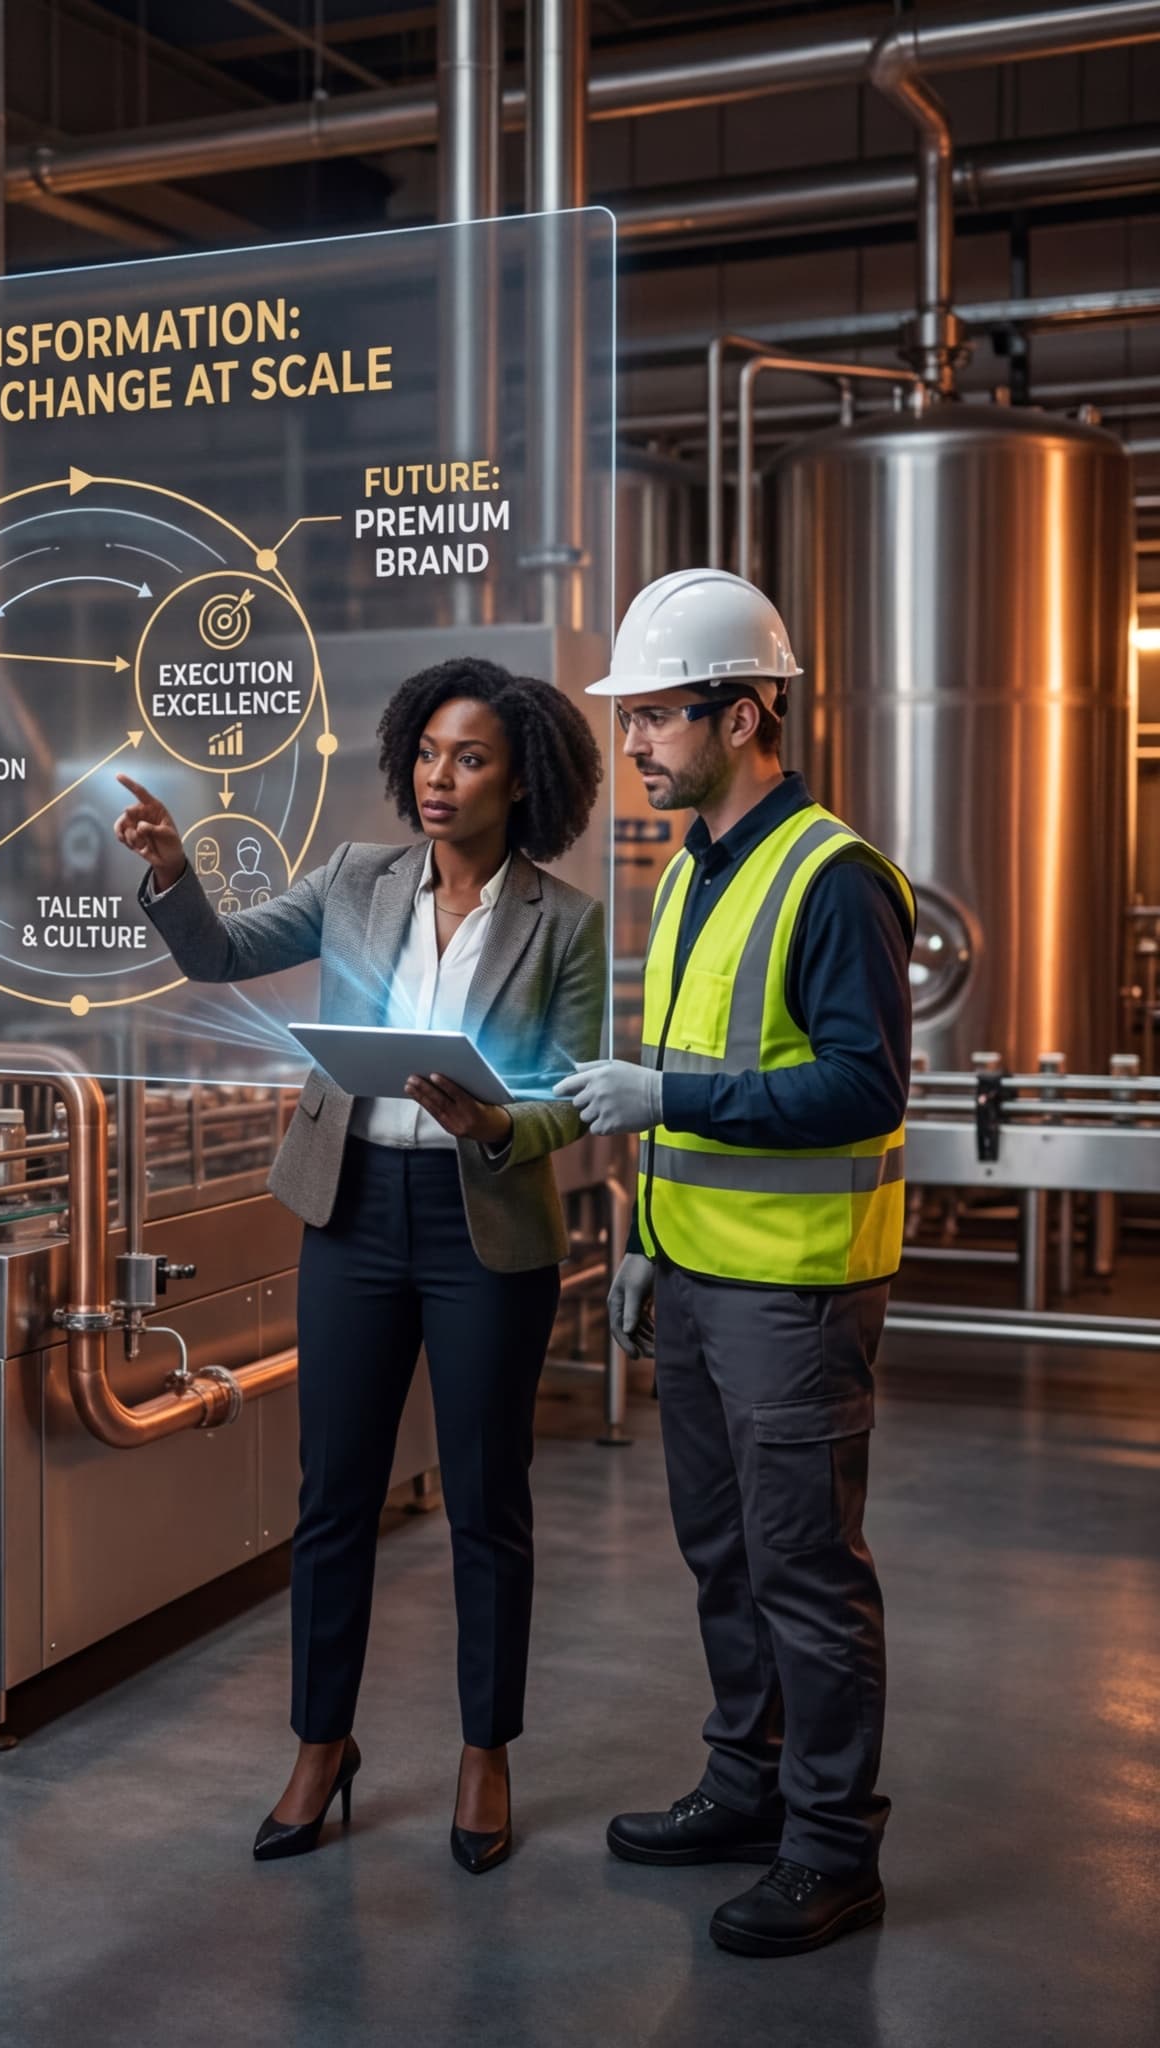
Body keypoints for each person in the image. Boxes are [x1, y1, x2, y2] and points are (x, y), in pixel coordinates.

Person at [116, 657, 605, 1876]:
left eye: (471, 757)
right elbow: (221, 952)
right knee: (332, 1496)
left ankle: (484, 1748)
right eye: (429, 753)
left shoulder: (567, 923)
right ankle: (319, 1743)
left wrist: (497, 1123)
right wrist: (172, 873)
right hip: (348, 1214)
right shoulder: (353, 880)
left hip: (481, 1222)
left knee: (487, 1501)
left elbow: (572, 1098)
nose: (440, 778)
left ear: (520, 778)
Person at [556, 568, 914, 1960]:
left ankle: (833, 1852)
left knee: (806, 1572)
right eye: (633, 719)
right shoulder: (703, 869)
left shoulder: (832, 879)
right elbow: (697, 1070)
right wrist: (646, 1240)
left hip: (798, 1290)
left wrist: (670, 1108)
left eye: (656, 717)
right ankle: (749, 1786)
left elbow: (860, 1090)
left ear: (745, 712)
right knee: (724, 1557)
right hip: (701, 1281)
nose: (635, 743)